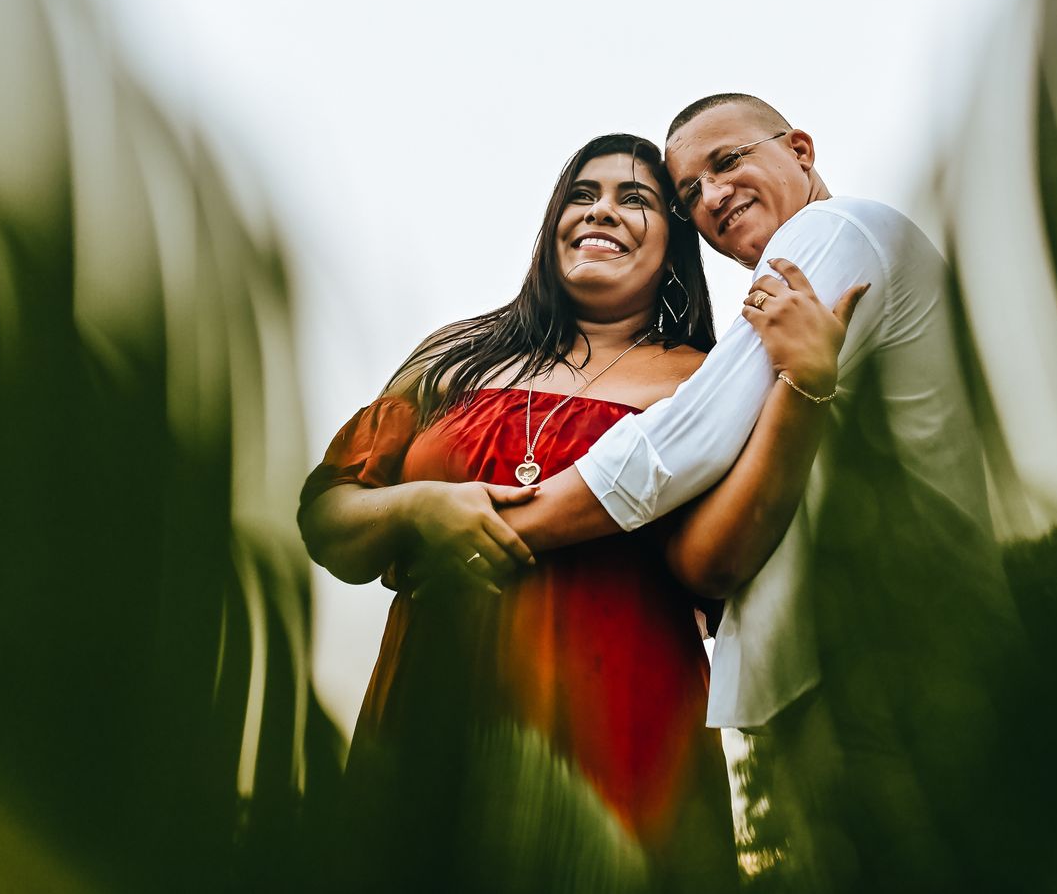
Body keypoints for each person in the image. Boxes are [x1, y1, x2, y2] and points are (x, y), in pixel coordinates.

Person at [437, 94, 1015, 890]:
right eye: (688, 192)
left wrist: (492, 521)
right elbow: (708, 561)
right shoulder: (791, 320)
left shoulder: (832, 232)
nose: (710, 197)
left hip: (897, 664)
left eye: (727, 161)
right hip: (849, 678)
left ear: (800, 149)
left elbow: (679, 442)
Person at [296, 131, 860, 892]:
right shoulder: (453, 357)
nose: (601, 211)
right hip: (435, 718)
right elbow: (329, 520)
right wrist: (420, 506)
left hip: (627, 743)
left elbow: (721, 565)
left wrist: (805, 384)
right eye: (582, 194)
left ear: (673, 245)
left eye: (636, 199)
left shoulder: (710, 381)